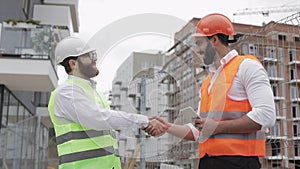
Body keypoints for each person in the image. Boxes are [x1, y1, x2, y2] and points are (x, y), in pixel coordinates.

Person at [146, 13, 276, 169]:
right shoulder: (208, 82)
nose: (196, 50)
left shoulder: (247, 66)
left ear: (214, 40)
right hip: (208, 162)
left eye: (199, 44)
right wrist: (167, 126)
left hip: (240, 162)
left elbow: (266, 116)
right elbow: (199, 130)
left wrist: (217, 127)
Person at [48, 36, 167, 169]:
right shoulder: (66, 93)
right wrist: (144, 121)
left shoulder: (93, 93)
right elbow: (98, 118)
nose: (95, 58)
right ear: (73, 64)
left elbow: (107, 121)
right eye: (89, 56)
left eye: (94, 54)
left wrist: (143, 123)